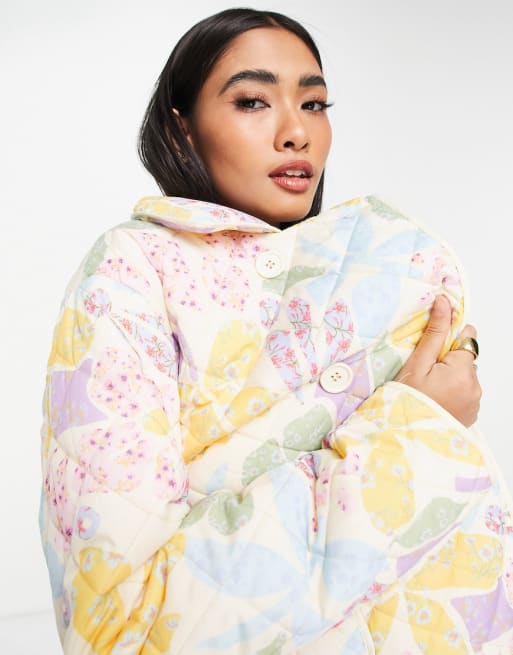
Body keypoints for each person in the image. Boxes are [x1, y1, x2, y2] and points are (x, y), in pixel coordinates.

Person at [39, 8, 513, 654]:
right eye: (253, 101)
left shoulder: (385, 277)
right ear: (182, 128)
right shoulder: (130, 273)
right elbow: (122, 628)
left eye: (314, 104)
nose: (296, 133)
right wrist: (418, 428)